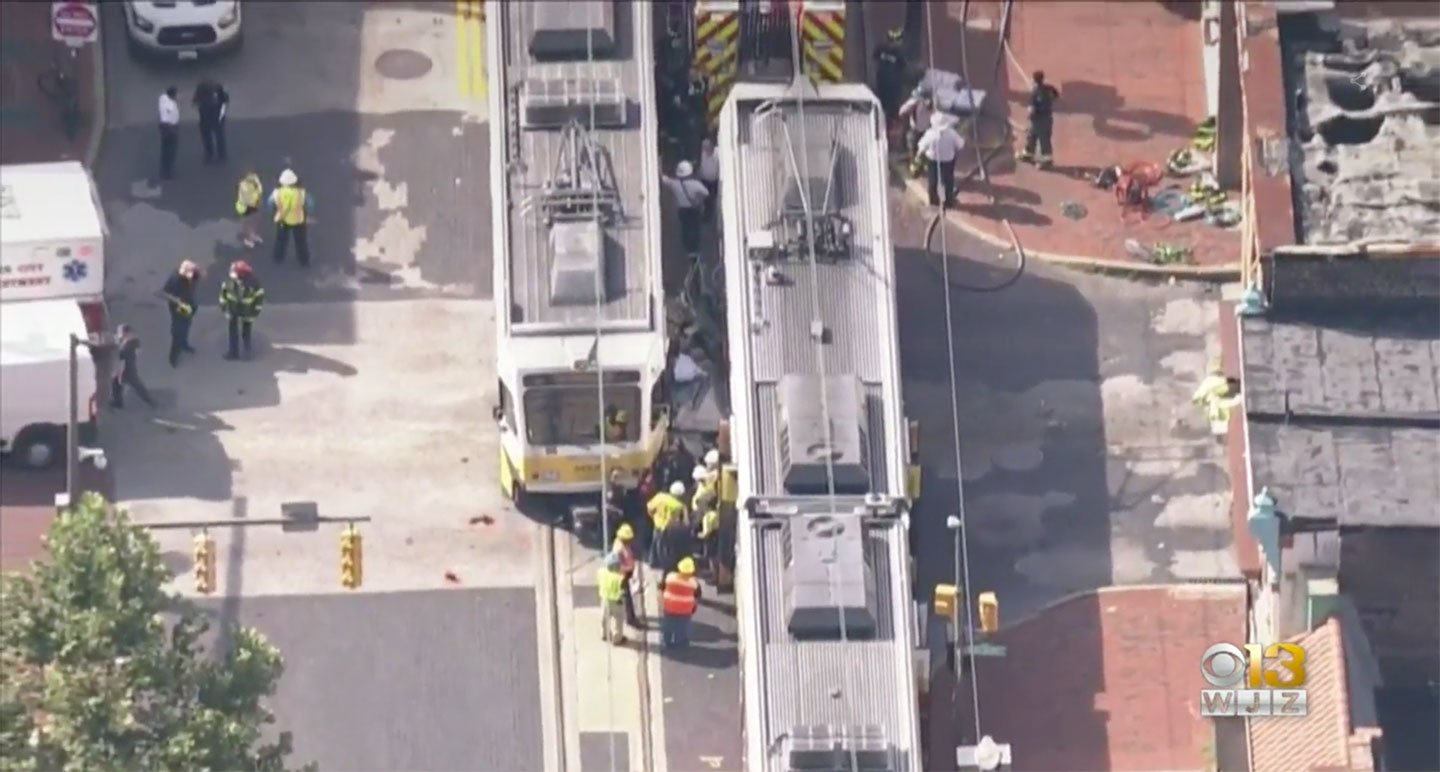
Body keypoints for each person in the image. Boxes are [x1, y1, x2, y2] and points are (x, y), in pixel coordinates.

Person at [267, 169, 314, 266]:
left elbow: (270, 203)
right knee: (301, 242)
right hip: (299, 220)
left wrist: (274, 212)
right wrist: (307, 214)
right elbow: (310, 204)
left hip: (283, 220)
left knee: (281, 240)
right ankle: (304, 261)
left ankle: (278, 258)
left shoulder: (277, 193)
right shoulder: (301, 193)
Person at [219, 260, 265, 360]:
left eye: (234, 272)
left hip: (247, 311)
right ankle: (233, 352)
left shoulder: (254, 284)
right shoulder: (229, 281)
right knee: (233, 332)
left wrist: (254, 313)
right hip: (232, 310)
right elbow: (223, 295)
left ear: (241, 274)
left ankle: (247, 352)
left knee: (246, 332)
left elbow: (259, 299)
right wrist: (225, 309)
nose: (232, 273)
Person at [662, 161, 709, 258]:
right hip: (694, 210)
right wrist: (698, 200)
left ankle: (688, 249)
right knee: (695, 228)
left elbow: (664, 180)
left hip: (682, 211)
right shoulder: (696, 184)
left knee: (685, 228)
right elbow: (706, 193)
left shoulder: (674, 183)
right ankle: (695, 249)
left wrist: (659, 165)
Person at [917, 112, 965, 208]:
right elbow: (960, 145)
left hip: (933, 160)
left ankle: (933, 200)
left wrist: (918, 155)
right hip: (948, 161)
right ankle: (949, 201)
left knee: (933, 180)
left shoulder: (930, 134)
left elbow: (921, 146)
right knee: (948, 181)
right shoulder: (952, 133)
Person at [161, 260, 202, 367]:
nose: (191, 276)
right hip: (177, 307)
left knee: (187, 324)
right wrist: (176, 300)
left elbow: (197, 279)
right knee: (177, 329)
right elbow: (164, 292)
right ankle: (173, 355)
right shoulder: (175, 279)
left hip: (188, 304)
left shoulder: (194, 275)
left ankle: (184, 344)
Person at [1019, 70, 1060, 169]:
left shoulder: (1034, 93)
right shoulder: (1049, 88)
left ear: (1033, 80)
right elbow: (1056, 94)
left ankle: (1047, 160)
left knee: (1041, 138)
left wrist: (1029, 116)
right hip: (1047, 118)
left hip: (1037, 120)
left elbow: (1031, 109)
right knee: (1034, 136)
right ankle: (1028, 154)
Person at [109, 324, 157, 410]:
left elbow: (122, 359)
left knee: (135, 386)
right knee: (119, 384)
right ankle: (118, 402)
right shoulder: (130, 341)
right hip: (129, 369)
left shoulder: (128, 346)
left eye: (120, 332)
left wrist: (118, 373)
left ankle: (150, 401)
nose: (118, 334)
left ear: (125, 333)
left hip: (127, 370)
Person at [659, 557, 701, 649]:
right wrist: (693, 608)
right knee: (682, 626)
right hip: (685, 610)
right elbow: (697, 596)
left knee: (668, 624)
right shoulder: (693, 583)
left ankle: (667, 641)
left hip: (669, 607)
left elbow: (661, 587)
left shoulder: (670, 577)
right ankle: (679, 642)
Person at [646, 481, 687, 569]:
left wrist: (653, 517)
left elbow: (649, 507)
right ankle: (665, 566)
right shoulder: (678, 505)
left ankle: (652, 562)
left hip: (657, 524)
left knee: (655, 543)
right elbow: (673, 520)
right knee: (664, 549)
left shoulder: (660, 496)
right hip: (666, 528)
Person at [872, 28, 907, 124]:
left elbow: (903, 66)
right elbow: (875, 57)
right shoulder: (882, 49)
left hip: (892, 85)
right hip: (884, 83)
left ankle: (890, 121)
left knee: (892, 107)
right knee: (883, 104)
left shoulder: (899, 53)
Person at [192, 80, 230, 164]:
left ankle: (209, 154)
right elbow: (226, 100)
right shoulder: (218, 89)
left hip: (205, 118)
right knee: (219, 135)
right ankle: (221, 154)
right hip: (217, 117)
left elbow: (195, 102)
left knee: (207, 136)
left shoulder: (201, 92)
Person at [611, 522, 641, 627]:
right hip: (622, 576)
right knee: (627, 598)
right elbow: (618, 565)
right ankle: (630, 619)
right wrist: (629, 568)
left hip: (626, 574)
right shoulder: (618, 549)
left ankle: (629, 617)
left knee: (626, 597)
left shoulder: (622, 544)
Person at [899, 86, 935, 170]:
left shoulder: (924, 104)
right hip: (922, 130)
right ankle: (918, 165)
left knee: (916, 147)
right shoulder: (917, 104)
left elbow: (901, 112)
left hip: (921, 130)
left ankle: (918, 165)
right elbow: (902, 112)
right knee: (918, 148)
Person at [597, 554, 628, 644]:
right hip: (617, 602)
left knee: (604, 618)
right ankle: (617, 639)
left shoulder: (601, 572)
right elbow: (623, 592)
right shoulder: (620, 578)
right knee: (618, 620)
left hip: (605, 599)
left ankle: (605, 634)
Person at [235, 169, 264, 248]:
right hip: (246, 206)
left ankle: (253, 235)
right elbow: (248, 198)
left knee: (256, 221)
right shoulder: (243, 185)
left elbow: (260, 189)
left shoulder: (255, 179)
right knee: (248, 223)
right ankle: (247, 239)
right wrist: (257, 193)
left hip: (255, 204)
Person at [157, 86, 180, 180]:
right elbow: (166, 119)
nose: (179, 96)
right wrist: (173, 131)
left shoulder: (163, 98)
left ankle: (164, 169)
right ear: (173, 95)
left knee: (165, 148)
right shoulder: (169, 106)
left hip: (165, 128)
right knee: (171, 150)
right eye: (177, 94)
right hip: (170, 128)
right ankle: (168, 172)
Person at [697, 138, 720, 222]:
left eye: (707, 147)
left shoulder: (718, 153)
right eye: (703, 147)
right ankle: (707, 217)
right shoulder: (703, 153)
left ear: (711, 147)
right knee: (706, 200)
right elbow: (702, 165)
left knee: (713, 199)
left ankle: (713, 217)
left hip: (714, 180)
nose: (705, 149)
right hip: (705, 180)